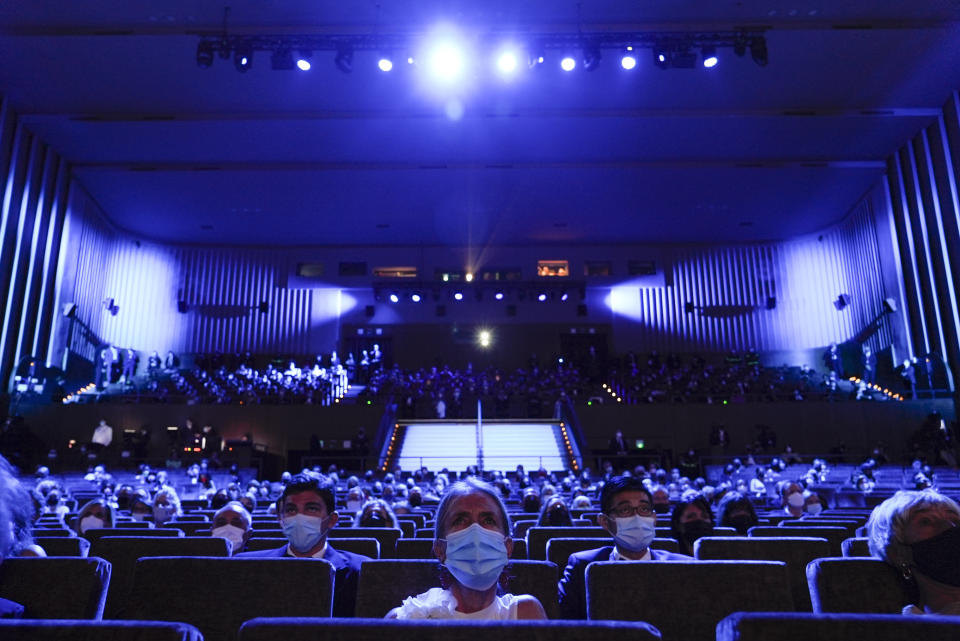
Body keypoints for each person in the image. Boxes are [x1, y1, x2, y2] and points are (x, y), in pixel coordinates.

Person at [386, 478, 546, 619]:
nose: (475, 530)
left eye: (489, 520)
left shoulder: (526, 614)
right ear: (440, 549)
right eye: (460, 520)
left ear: (508, 547)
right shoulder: (407, 618)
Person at [236, 474, 370, 617]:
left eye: (311, 509)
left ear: (332, 520)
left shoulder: (363, 572)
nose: (299, 517)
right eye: (291, 510)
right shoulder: (245, 566)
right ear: (280, 518)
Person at [558, 475, 691, 619]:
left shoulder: (685, 567)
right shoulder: (582, 566)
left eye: (644, 509)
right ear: (604, 521)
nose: (637, 517)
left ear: (654, 518)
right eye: (625, 510)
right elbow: (563, 627)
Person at [867, 490, 960, 615]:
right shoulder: (907, 629)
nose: (950, 526)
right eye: (926, 521)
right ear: (898, 553)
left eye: (956, 520)